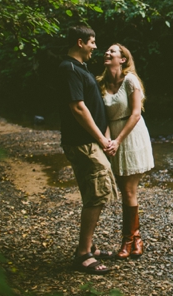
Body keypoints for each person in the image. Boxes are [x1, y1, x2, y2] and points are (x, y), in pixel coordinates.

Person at [57, 25, 117, 274]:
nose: (95, 47)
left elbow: (93, 106)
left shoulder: (80, 68)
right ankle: (83, 254)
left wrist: (105, 136)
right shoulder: (69, 68)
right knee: (97, 193)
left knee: (97, 192)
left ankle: (88, 246)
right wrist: (101, 141)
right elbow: (79, 108)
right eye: (92, 42)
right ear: (80, 42)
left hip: (90, 142)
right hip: (82, 143)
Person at [97, 43, 155, 259]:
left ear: (123, 59)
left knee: (129, 190)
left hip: (132, 136)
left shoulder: (130, 80)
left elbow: (136, 114)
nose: (107, 53)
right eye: (107, 51)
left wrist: (118, 140)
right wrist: (106, 140)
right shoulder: (100, 83)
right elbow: (103, 116)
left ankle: (129, 241)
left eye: (113, 51)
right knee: (125, 190)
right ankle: (135, 239)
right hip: (113, 137)